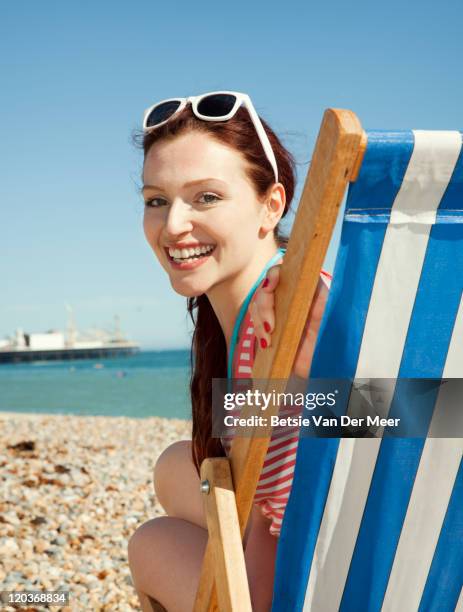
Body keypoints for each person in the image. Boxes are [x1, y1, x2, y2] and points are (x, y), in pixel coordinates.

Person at [128, 91, 330, 612]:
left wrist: (314, 381)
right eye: (156, 199)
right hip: (309, 534)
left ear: (273, 204)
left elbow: (433, 410)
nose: (172, 226)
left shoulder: (300, 307)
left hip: (323, 571)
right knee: (177, 464)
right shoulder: (249, 311)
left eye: (206, 197)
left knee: (151, 543)